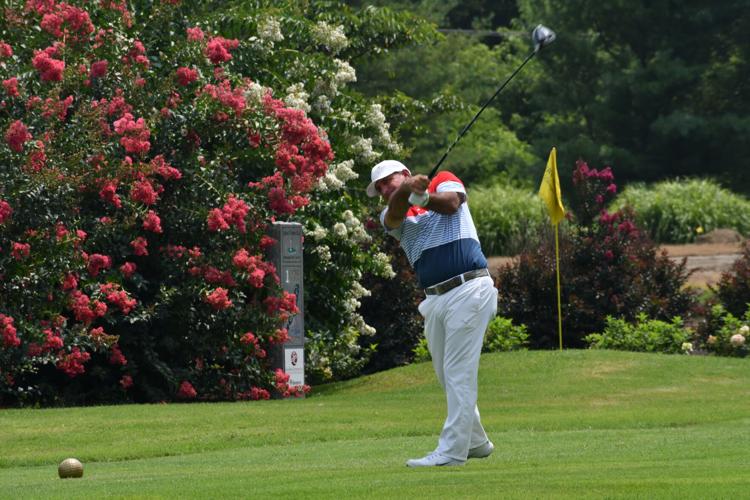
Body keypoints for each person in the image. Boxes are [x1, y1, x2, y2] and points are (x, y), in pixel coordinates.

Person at [367, 159, 498, 467]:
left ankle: (452, 452)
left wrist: (422, 195)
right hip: (435, 300)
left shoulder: (443, 180)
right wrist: (407, 192)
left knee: (457, 373)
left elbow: (451, 204)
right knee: (447, 376)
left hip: (469, 287)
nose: (384, 189)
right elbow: (395, 211)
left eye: (388, 180)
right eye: (380, 187)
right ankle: (476, 442)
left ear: (405, 173)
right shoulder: (391, 214)